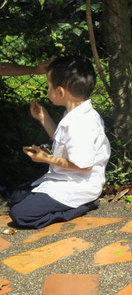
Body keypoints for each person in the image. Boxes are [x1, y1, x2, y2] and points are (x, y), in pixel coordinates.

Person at [9, 55, 110, 229]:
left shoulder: (80, 123)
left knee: (20, 215)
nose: (48, 90)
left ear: (61, 92)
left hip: (78, 185)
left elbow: (83, 166)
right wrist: (44, 118)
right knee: (17, 197)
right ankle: (76, 203)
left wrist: (46, 159)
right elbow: (63, 141)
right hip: (64, 178)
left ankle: (82, 206)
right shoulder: (76, 111)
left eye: (49, 86)